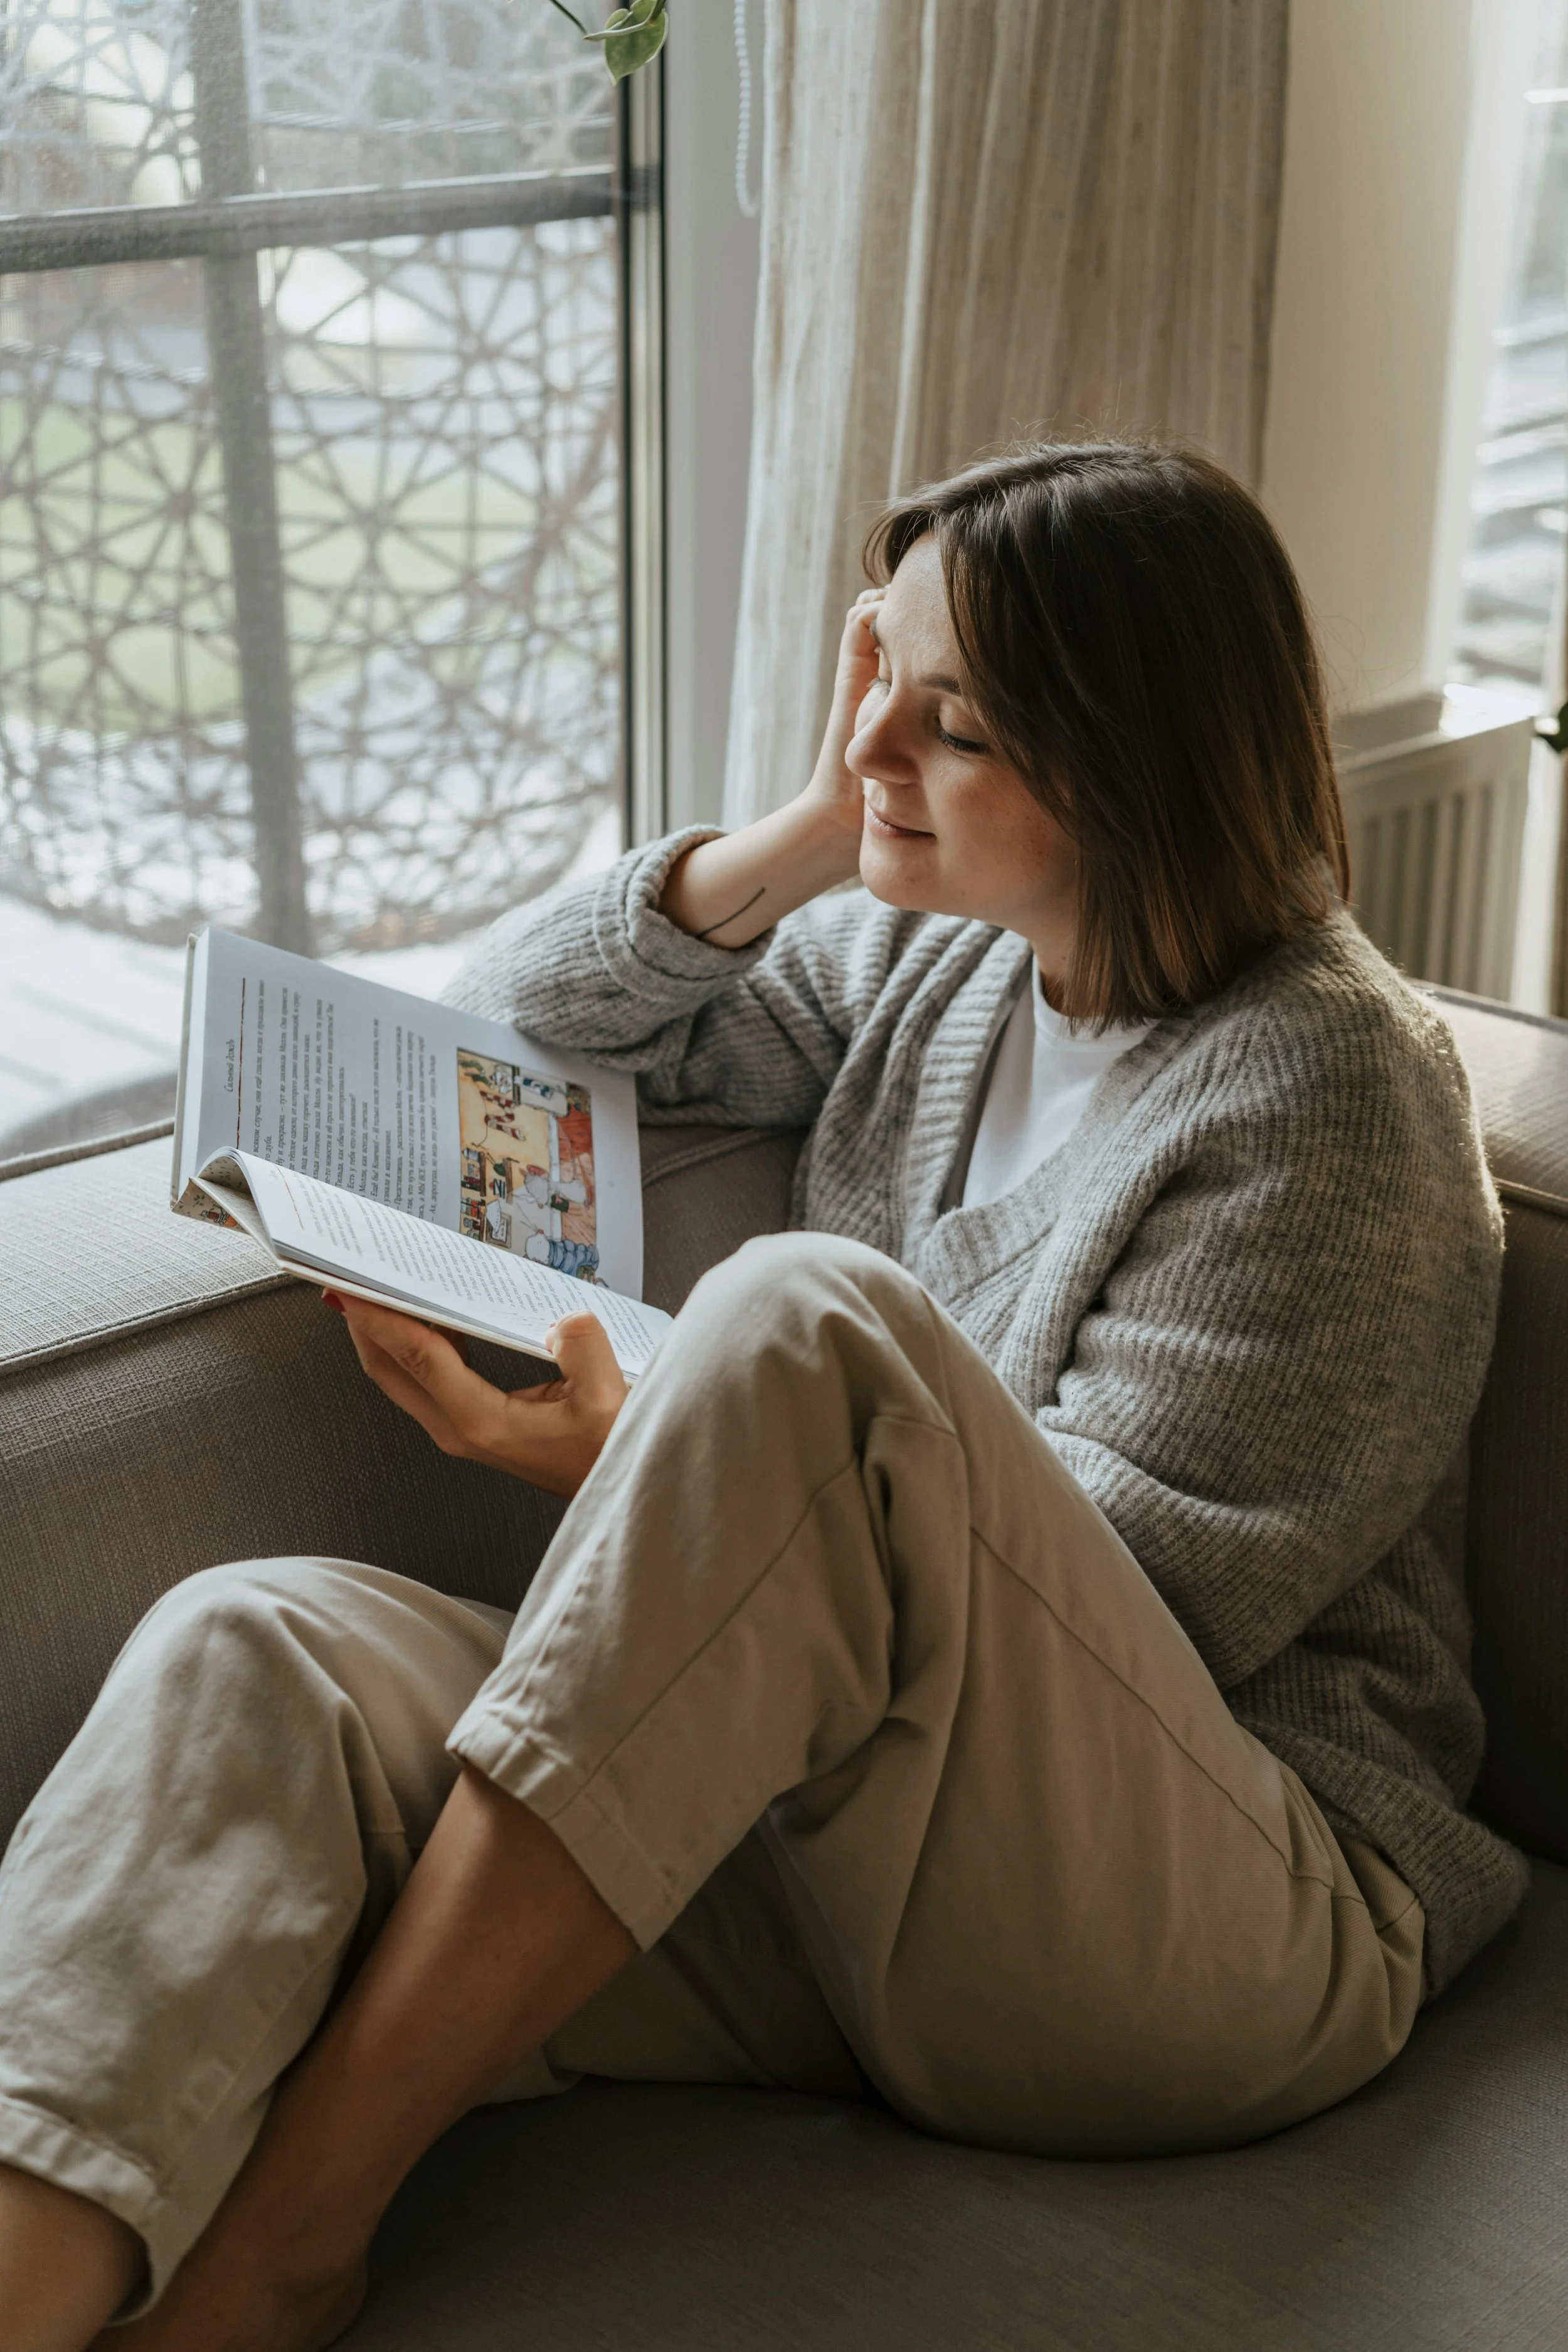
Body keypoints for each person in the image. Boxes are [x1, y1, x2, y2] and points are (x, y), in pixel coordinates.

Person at [0, 442, 1525, 2352]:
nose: (879, 743)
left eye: (949, 722)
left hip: (1213, 1925)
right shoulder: (939, 958)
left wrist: (656, 1441)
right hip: (848, 1860)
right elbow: (511, 1033)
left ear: (1134, 754)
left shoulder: (1327, 1090)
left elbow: (1139, 1618)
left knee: (800, 1319)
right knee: (258, 1644)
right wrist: (822, 824)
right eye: (870, 678)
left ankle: (295, 2237)